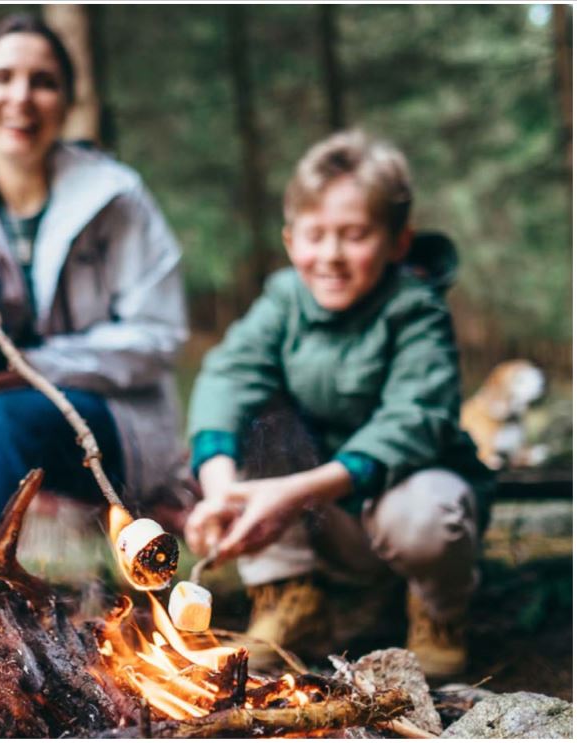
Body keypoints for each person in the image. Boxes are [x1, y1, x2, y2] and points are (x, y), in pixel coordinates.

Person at [184, 130, 495, 678]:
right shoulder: (285, 298)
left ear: (398, 243)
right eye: (315, 235)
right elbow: (228, 376)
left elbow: (415, 420)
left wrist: (293, 492)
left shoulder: (416, 310)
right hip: (317, 515)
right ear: (289, 239)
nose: (330, 256)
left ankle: (437, 610)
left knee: (426, 511)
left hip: (393, 508)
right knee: (260, 421)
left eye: (354, 235)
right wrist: (221, 490)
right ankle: (289, 595)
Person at [0, 14, 188, 567]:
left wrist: (40, 366)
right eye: (3, 77)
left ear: (65, 102)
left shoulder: (117, 198)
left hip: (113, 428)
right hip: (7, 421)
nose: (22, 97)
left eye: (43, 81)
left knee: (8, 414)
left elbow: (159, 337)